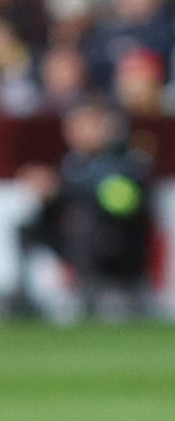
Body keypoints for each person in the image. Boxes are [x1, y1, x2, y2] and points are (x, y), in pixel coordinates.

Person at [13, 102, 156, 322]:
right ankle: (26, 296)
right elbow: (59, 205)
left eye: (85, 126)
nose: (78, 134)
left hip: (118, 240)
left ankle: (88, 293)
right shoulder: (71, 163)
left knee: (85, 224)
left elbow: (120, 201)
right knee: (26, 228)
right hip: (76, 240)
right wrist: (47, 198)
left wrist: (60, 189)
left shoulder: (125, 159)